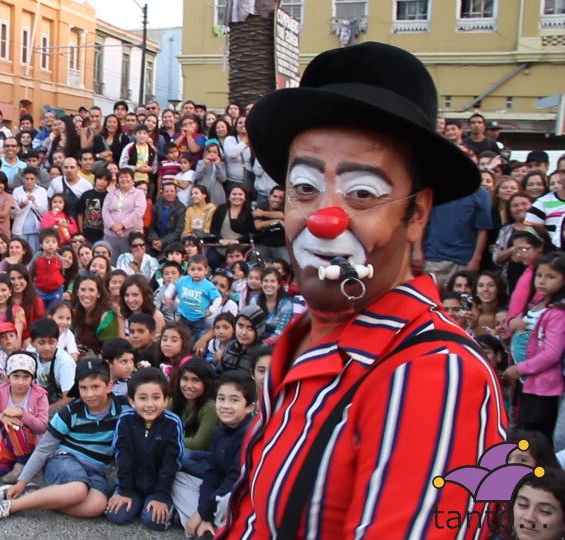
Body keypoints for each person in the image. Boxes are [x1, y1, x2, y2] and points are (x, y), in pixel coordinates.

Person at [221, 42, 505, 537]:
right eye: (305, 188)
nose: (324, 219)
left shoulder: (434, 374)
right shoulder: (300, 339)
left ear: (416, 215)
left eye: (361, 193)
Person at [0, 358, 132, 526]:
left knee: (97, 506)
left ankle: (37, 496)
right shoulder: (69, 412)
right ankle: (8, 506)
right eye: (83, 388)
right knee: (78, 490)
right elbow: (43, 449)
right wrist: (21, 482)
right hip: (64, 459)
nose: (89, 394)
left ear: (109, 386)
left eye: (95, 387)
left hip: (96, 469)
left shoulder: (123, 407)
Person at [172, 369, 255, 536]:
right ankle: (208, 527)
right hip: (221, 489)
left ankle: (206, 524)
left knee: (227, 498)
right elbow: (213, 472)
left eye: (234, 400)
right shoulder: (220, 431)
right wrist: (204, 511)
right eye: (221, 398)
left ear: (249, 407)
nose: (225, 405)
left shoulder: (250, 435)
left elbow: (235, 480)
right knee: (176, 478)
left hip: (242, 493)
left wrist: (202, 512)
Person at [105, 367, 184, 531]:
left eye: (156, 397)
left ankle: (166, 506)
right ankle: (135, 499)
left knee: (154, 520)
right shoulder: (125, 420)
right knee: (116, 515)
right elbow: (122, 457)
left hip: (158, 485)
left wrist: (161, 495)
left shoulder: (172, 423)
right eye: (142, 398)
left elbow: (171, 463)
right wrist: (125, 490)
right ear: (132, 401)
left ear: (166, 400)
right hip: (131, 483)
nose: (149, 404)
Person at [502, 252, 565, 442]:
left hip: (543, 385)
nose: (542, 281)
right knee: (523, 429)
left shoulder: (559, 313)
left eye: (551, 277)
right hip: (528, 381)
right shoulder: (538, 303)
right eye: (539, 275)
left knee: (536, 437)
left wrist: (520, 368)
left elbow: (551, 354)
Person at [0, 351, 49, 483]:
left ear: (32, 378)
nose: (20, 382)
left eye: (26, 377)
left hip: (30, 443)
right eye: (16, 376)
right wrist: (1, 418)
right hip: (6, 442)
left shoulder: (40, 395)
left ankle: (21, 463)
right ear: (8, 376)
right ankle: (14, 462)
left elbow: (42, 427)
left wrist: (22, 413)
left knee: (14, 424)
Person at [28, 318, 76, 415]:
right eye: (41, 343)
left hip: (60, 408)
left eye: (51, 342)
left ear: (57, 341)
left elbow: (68, 399)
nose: (47, 347)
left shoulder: (65, 362)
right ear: (32, 343)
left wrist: (39, 413)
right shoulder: (29, 355)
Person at [102, 169, 146, 261]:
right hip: (110, 234)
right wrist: (113, 226)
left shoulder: (139, 194)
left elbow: (138, 212)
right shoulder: (111, 194)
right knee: (110, 262)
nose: (124, 179)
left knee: (129, 262)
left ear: (133, 180)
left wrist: (122, 225)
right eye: (121, 177)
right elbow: (105, 211)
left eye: (127, 177)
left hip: (130, 235)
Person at [149, 182, 186, 256]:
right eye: (166, 191)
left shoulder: (181, 208)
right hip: (156, 240)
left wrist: (162, 241)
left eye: (172, 191)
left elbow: (178, 232)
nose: (169, 193)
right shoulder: (157, 206)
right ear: (162, 193)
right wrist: (154, 240)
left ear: (176, 193)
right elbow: (151, 227)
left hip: (172, 242)